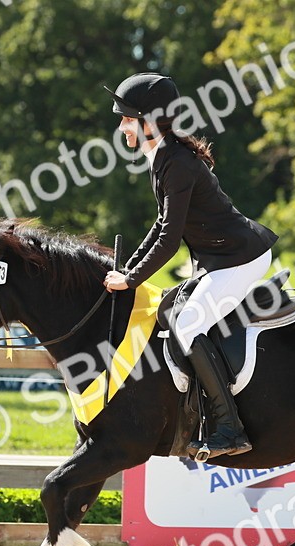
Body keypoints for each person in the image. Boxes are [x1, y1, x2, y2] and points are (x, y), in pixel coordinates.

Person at [101, 73, 278, 459]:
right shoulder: (162, 157)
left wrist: (131, 279)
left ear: (149, 120)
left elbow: (169, 238)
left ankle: (229, 428)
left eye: (126, 118)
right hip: (219, 259)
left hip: (240, 259)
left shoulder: (176, 163)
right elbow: (160, 225)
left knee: (188, 324)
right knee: (172, 312)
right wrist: (126, 269)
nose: (121, 126)